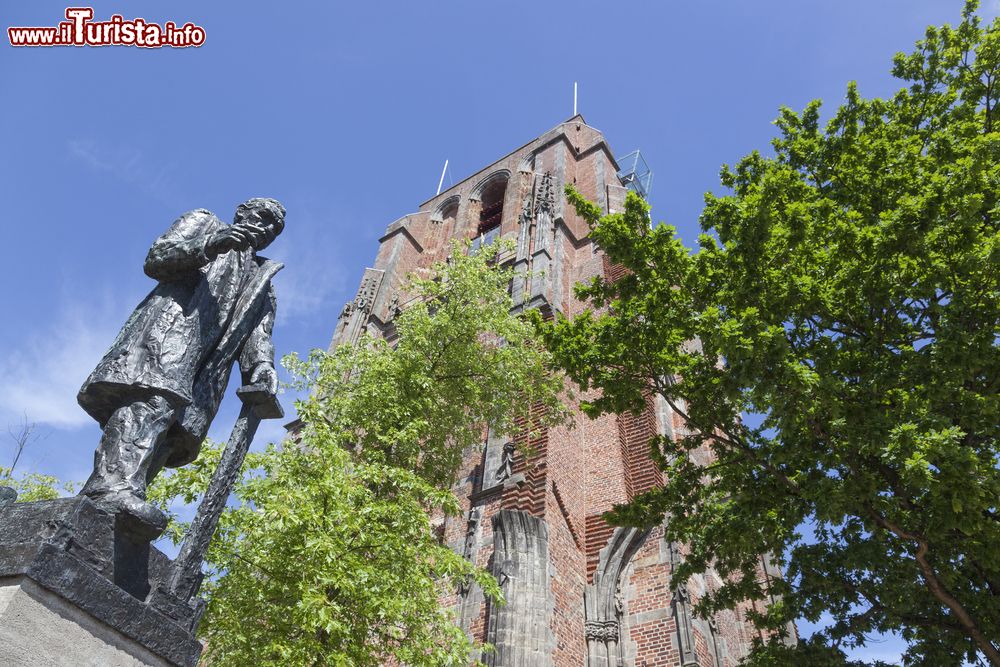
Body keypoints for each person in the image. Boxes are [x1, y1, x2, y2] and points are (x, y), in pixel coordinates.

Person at [77, 198, 285, 531]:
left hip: (205, 376)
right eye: (262, 218)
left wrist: (262, 366)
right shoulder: (205, 223)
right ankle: (110, 487)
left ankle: (121, 502)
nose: (266, 229)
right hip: (167, 339)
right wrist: (211, 244)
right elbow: (157, 258)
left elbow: (259, 335)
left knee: (174, 433)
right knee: (151, 404)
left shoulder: (263, 280)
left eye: (274, 229)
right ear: (242, 212)